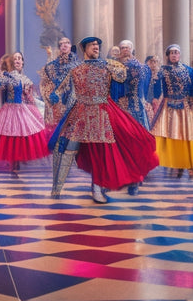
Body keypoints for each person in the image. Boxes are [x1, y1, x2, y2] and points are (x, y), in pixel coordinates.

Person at [48, 36, 159, 203]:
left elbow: (123, 79)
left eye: (97, 45)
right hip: (80, 111)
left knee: (102, 151)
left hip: (102, 111)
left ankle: (98, 187)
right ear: (84, 49)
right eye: (92, 45)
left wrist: (125, 61)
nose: (96, 47)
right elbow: (64, 91)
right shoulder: (75, 69)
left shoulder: (109, 65)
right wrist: (57, 101)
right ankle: (56, 188)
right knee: (65, 147)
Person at [0, 65, 49, 177]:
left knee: (20, 134)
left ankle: (16, 163)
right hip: (9, 108)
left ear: (22, 63)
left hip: (21, 108)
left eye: (19, 59)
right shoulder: (6, 77)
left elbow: (29, 94)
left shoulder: (24, 78)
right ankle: (13, 164)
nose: (17, 61)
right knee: (10, 134)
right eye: (15, 59)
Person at [150, 44, 193, 178]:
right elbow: (156, 87)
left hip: (185, 107)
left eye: (176, 53)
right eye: (171, 53)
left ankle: (189, 164)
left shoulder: (188, 70)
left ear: (179, 55)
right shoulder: (162, 71)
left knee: (187, 136)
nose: (174, 55)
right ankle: (175, 163)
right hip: (169, 107)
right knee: (170, 136)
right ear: (168, 55)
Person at [39, 37, 79, 134]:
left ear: (70, 46)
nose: (64, 45)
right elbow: (45, 83)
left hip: (75, 102)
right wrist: (51, 96)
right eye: (61, 44)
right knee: (59, 131)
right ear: (59, 48)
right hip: (59, 104)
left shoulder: (78, 65)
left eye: (67, 43)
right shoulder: (52, 66)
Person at [110, 40, 151, 129]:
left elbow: (144, 83)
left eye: (127, 48)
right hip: (120, 103)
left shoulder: (140, 66)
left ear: (131, 49)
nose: (125, 50)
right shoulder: (115, 66)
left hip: (136, 103)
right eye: (122, 48)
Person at [144, 55, 162, 125]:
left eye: (155, 62)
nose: (154, 64)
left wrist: (156, 98)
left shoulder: (159, 74)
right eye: (151, 62)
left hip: (156, 100)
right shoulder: (144, 73)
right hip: (145, 99)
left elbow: (160, 88)